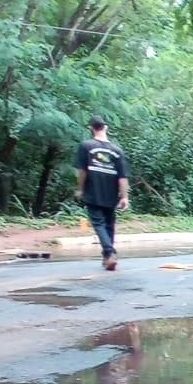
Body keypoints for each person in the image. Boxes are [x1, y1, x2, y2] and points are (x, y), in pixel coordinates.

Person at [74, 115, 130, 271]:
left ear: (91, 128)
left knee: (98, 224)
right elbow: (123, 177)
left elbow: (82, 171)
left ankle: (109, 253)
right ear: (106, 127)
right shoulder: (117, 150)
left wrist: (80, 189)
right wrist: (125, 197)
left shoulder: (86, 146)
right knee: (109, 225)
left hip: (93, 192)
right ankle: (109, 256)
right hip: (111, 194)